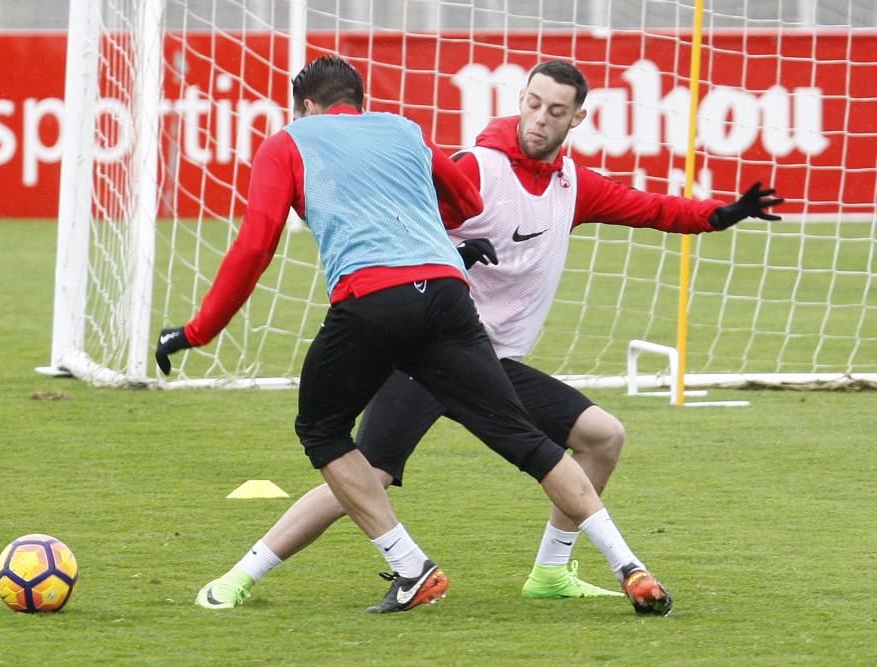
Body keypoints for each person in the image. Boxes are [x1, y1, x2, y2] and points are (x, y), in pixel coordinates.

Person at [178, 60, 784, 612]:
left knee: (603, 437)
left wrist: (719, 215)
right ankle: (244, 575)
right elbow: (404, 220)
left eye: (554, 110)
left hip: (481, 356)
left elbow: (649, 207)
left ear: (578, 118)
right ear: (518, 101)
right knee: (365, 476)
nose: (539, 119)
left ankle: (550, 571)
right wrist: (454, 249)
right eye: (532, 103)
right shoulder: (474, 164)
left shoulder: (574, 185)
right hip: (422, 355)